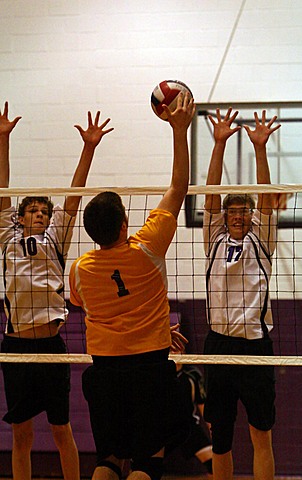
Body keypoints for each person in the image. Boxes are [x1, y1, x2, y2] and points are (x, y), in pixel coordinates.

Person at [69, 92, 195, 480]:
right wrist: (179, 130)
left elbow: (88, 305)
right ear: (125, 225)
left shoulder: (80, 269)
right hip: (149, 370)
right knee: (145, 461)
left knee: (107, 460)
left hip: (104, 373)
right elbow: (178, 189)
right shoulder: (147, 248)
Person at [0, 101, 113, 480]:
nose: (41, 216)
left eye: (45, 214)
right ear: (20, 216)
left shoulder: (55, 240)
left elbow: (73, 196)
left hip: (50, 347)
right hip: (16, 347)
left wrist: (89, 148)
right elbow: (2, 189)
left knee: (62, 430)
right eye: (33, 211)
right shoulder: (6, 237)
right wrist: (3, 140)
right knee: (21, 434)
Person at [203, 108, 281, 480]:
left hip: (254, 347)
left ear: (251, 216)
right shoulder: (214, 240)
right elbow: (209, 198)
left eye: (243, 211)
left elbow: (267, 200)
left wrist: (260, 150)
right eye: (231, 210)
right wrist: (218, 144)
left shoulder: (261, 242)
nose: (237, 216)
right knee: (221, 437)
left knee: (260, 435)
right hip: (217, 346)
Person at [165, 360, 212, 475]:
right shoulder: (158, 372)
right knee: (144, 465)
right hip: (162, 427)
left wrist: (212, 430)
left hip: (188, 426)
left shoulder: (192, 374)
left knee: (214, 463)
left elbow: (202, 404)